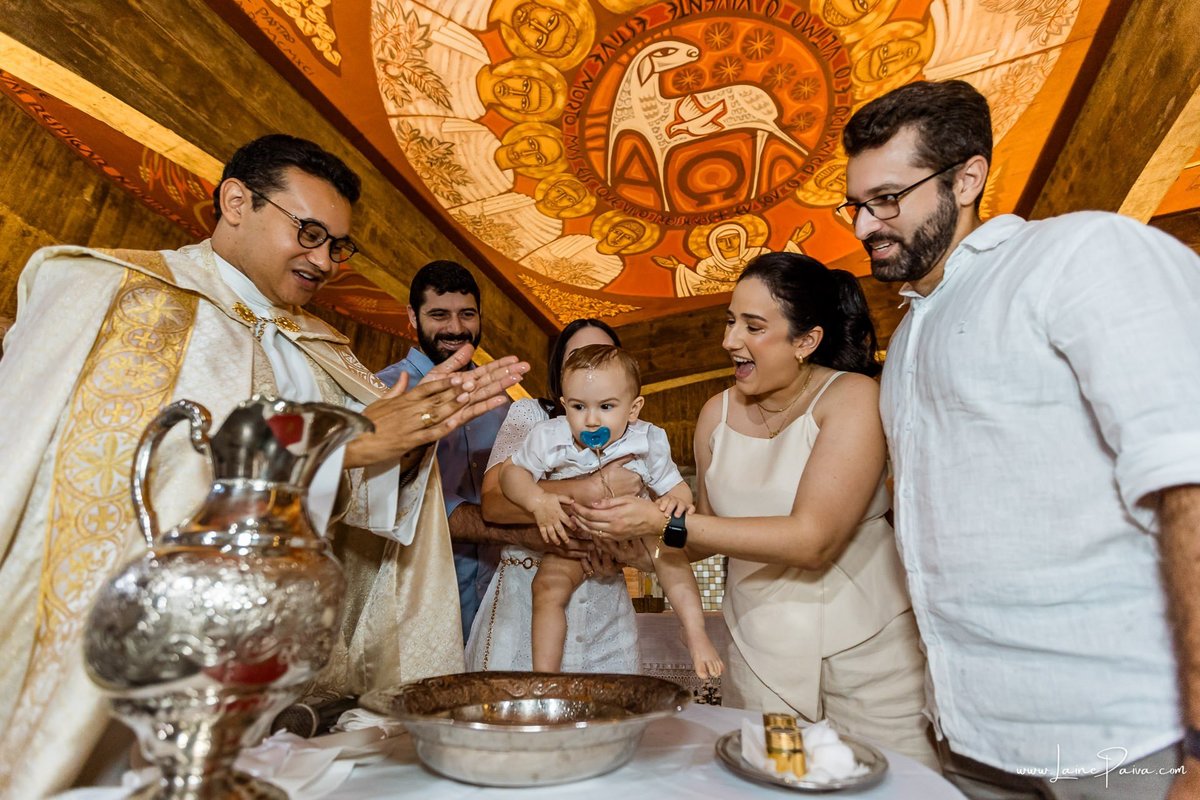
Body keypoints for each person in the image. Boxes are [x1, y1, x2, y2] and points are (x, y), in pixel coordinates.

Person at [0, 134, 527, 797]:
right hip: (122, 663)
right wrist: (348, 448)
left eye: (338, 246)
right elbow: (114, 464)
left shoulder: (319, 349)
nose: (325, 260)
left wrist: (408, 446)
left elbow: (359, 498)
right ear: (236, 201)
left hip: (269, 672)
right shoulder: (113, 289)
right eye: (309, 232)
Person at [839, 79, 1200, 798]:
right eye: (855, 204)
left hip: (1122, 737)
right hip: (974, 737)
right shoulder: (910, 335)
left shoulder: (1079, 253)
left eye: (887, 200)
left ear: (967, 177)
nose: (862, 227)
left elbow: (1186, 478)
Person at [574, 252, 936, 768]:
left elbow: (813, 541)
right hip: (759, 647)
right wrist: (638, 543)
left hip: (868, 645)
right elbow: (702, 536)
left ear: (806, 341)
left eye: (753, 326)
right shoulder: (714, 415)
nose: (729, 341)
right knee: (774, 781)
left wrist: (665, 522)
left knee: (896, 783)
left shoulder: (852, 398)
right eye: (729, 321)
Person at [500, 344, 723, 678]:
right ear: (564, 406)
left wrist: (675, 501)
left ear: (633, 409)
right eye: (578, 406)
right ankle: (545, 676)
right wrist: (538, 501)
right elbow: (510, 475)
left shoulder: (646, 440)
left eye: (606, 406)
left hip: (634, 528)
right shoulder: (549, 437)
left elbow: (674, 487)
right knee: (547, 588)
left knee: (670, 557)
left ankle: (694, 631)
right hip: (576, 535)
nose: (591, 420)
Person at [467, 319, 647, 672]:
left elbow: (652, 523)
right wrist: (591, 487)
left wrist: (624, 548)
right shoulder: (531, 416)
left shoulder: (636, 437)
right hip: (525, 603)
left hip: (604, 609)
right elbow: (494, 501)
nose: (592, 368)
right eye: (579, 357)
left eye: (604, 356)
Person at [378, 260, 523, 642]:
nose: (456, 329)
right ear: (413, 316)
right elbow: (383, 497)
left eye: (467, 315)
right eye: (439, 315)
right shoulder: (384, 393)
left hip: (497, 608)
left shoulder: (501, 402)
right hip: (413, 607)